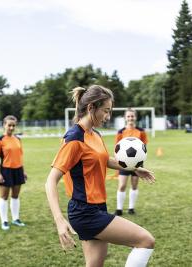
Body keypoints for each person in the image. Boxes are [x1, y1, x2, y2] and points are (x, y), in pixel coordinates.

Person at [45, 85, 156, 267]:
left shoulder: (94, 134)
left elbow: (104, 160)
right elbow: (51, 181)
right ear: (91, 108)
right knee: (145, 241)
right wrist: (59, 220)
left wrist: (132, 168)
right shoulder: (74, 138)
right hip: (85, 212)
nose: (108, 116)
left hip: (98, 207)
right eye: (106, 111)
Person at [0, 115, 27, 230]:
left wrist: (23, 171)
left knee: (16, 196)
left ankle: (16, 219)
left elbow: (20, 156)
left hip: (18, 170)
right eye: (9, 125)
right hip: (6, 170)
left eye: (13, 125)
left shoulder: (18, 139)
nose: (11, 128)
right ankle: (4, 221)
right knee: (4, 196)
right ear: (4, 125)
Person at [114, 108, 148, 216]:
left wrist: (141, 161)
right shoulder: (120, 132)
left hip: (137, 163)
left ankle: (131, 208)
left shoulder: (141, 131)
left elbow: (144, 148)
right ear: (125, 118)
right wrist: (116, 162)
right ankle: (119, 209)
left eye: (132, 116)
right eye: (128, 116)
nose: (130, 118)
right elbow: (117, 148)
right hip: (123, 163)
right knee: (122, 185)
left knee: (134, 184)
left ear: (135, 117)